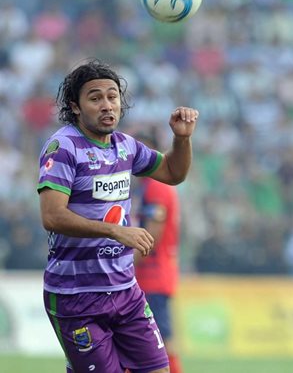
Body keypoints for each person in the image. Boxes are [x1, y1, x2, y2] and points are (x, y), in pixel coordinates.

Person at [37, 59, 199, 373]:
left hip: (126, 290)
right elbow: (52, 216)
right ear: (75, 107)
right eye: (95, 98)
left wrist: (182, 139)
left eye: (112, 97)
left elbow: (173, 172)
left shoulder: (125, 146)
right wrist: (115, 231)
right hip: (75, 295)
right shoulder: (63, 147)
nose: (107, 105)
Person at [132, 128, 183, 373]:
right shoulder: (145, 187)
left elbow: (151, 238)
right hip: (150, 276)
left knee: (160, 337)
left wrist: (123, 266)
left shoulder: (156, 186)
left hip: (154, 276)